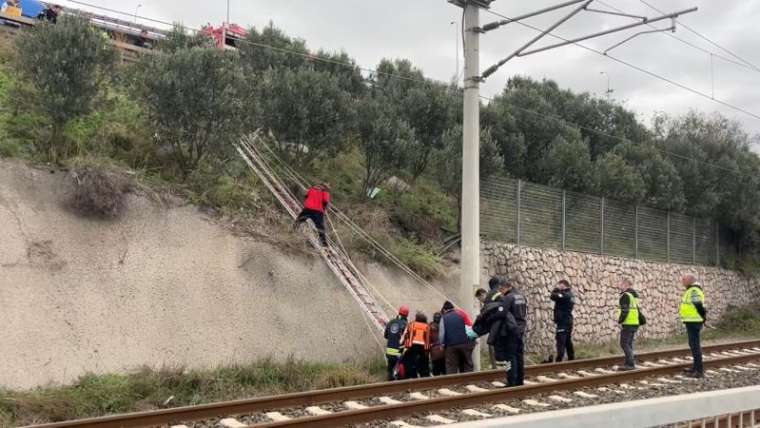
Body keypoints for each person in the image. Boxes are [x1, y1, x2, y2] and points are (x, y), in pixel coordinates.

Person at [680, 274, 706, 378]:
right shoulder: (691, 290)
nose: (682, 281)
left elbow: (698, 305)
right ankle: (695, 368)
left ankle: (699, 371)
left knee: (695, 346)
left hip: (694, 322)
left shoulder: (694, 290)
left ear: (690, 280)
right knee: (693, 345)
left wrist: (703, 318)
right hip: (691, 321)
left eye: (684, 279)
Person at [439, 300, 475, 374]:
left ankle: (453, 383)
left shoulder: (443, 318)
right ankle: (469, 381)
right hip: (465, 343)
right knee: (467, 363)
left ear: (444, 310)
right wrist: (473, 340)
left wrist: (442, 344)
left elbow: (442, 333)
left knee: (451, 365)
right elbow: (470, 326)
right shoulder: (462, 313)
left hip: (451, 345)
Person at [617, 278, 641, 370]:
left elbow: (625, 310)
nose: (619, 285)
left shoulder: (626, 295)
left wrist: (620, 320)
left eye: (620, 283)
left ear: (625, 284)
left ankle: (630, 364)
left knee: (624, 344)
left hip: (628, 323)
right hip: (634, 322)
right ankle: (628, 363)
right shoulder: (634, 296)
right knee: (629, 343)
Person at [550, 279, 575, 361]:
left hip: (563, 321)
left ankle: (559, 360)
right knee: (567, 340)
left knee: (561, 340)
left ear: (563, 285)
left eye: (559, 285)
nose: (558, 287)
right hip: (568, 320)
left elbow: (553, 296)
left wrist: (556, 290)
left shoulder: (565, 295)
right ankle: (571, 358)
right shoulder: (571, 295)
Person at [402, 312, 431, 378]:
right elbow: (427, 339)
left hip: (412, 346)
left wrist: (407, 346)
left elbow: (407, 336)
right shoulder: (427, 326)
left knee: (410, 362)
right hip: (423, 347)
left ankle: (411, 376)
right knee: (424, 363)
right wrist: (427, 350)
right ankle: (424, 376)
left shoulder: (412, 324)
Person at [384, 305, 409, 381]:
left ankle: (389, 383)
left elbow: (386, 336)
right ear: (407, 315)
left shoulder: (391, 322)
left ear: (399, 312)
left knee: (390, 369)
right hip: (399, 351)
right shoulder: (406, 324)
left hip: (389, 351)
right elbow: (407, 338)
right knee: (401, 369)